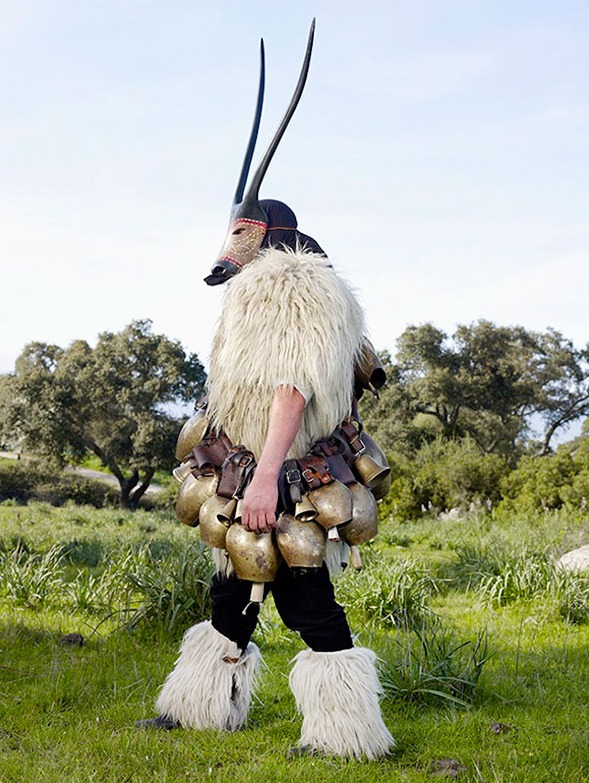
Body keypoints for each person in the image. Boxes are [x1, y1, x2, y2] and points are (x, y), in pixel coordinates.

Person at [136, 23, 394, 760]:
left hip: (285, 467)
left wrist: (270, 474)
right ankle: (199, 707)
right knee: (232, 587)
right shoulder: (263, 287)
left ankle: (346, 734)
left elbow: (290, 389)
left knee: (305, 595)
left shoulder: (290, 285)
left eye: (243, 232)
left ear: (269, 234)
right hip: (250, 462)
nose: (231, 246)